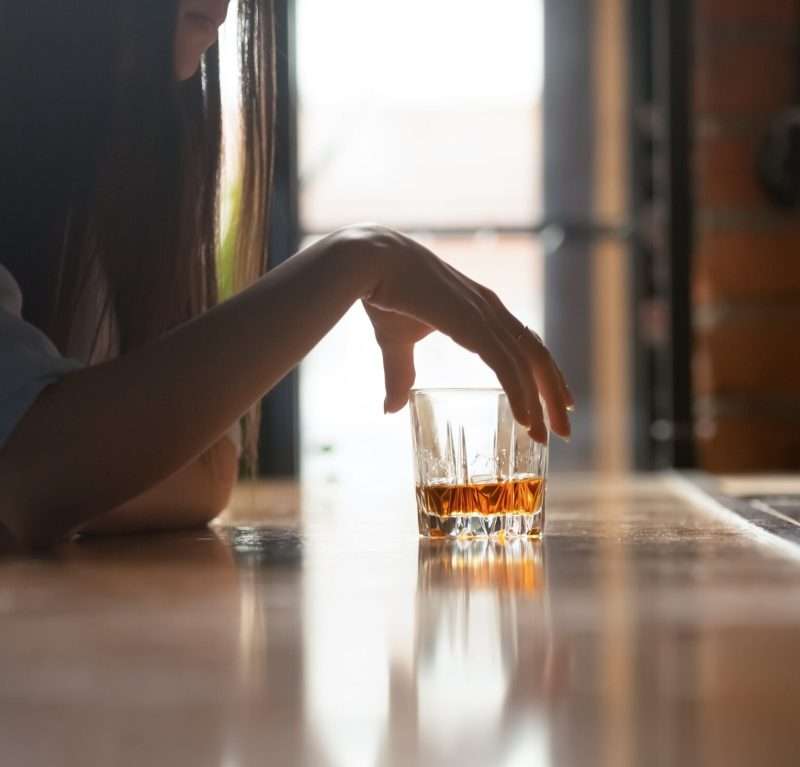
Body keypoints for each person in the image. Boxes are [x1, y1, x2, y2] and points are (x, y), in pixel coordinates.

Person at [0, 0, 573, 547]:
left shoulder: (109, 185)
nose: (221, 8)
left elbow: (205, 471)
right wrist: (358, 259)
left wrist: (73, 475)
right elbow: (34, 474)